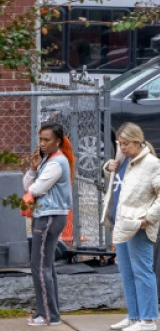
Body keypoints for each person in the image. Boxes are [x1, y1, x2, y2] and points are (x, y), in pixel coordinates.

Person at [102, 123, 160, 331]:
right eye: (120, 144)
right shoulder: (123, 160)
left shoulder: (152, 164)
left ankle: (148, 319)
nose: (121, 148)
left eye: (125, 144)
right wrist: (108, 168)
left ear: (136, 141)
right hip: (122, 224)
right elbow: (119, 183)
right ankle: (134, 316)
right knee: (127, 271)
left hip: (138, 226)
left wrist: (148, 218)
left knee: (142, 272)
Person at [22, 123, 75, 326]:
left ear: (58, 141)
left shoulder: (56, 162)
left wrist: (33, 185)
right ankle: (51, 313)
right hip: (46, 215)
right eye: (41, 139)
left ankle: (46, 315)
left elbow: (36, 188)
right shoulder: (48, 161)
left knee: (39, 266)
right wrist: (34, 168)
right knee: (46, 265)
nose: (43, 143)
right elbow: (29, 184)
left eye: (47, 140)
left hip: (49, 217)